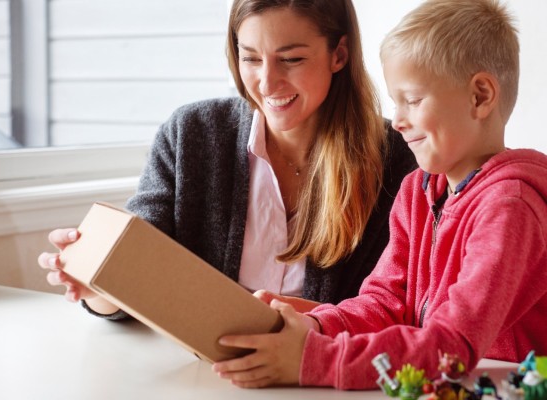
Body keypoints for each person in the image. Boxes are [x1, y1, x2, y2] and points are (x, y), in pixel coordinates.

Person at [212, 0, 547, 390]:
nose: (399, 121)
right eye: (395, 102)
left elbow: (451, 348)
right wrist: (314, 325)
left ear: (480, 96)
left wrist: (312, 359)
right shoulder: (417, 193)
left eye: (413, 100)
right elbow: (384, 303)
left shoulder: (510, 209)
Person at [37, 0, 415, 318]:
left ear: (339, 54)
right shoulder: (191, 134)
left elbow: (399, 307)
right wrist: (96, 280)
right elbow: (138, 273)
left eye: (292, 59)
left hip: (323, 375)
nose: (267, 83)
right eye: (250, 58)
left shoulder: (397, 158)